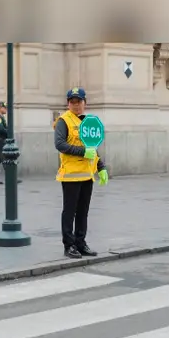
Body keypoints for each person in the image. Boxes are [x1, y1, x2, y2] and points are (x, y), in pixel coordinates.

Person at [54, 87, 109, 259]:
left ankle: (80, 242)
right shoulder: (64, 121)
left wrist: (101, 167)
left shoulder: (87, 121)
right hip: (71, 175)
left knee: (83, 212)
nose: (76, 105)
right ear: (68, 104)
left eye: (79, 102)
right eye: (72, 102)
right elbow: (60, 144)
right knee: (69, 211)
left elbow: (92, 147)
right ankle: (69, 245)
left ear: (85, 103)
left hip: (87, 174)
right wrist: (82, 152)